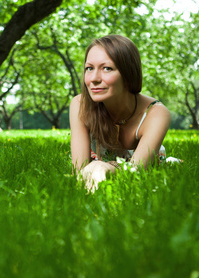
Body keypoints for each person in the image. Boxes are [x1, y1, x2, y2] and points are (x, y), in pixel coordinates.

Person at [70, 35, 172, 191]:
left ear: (128, 74)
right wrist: (95, 168)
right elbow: (79, 170)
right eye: (89, 68)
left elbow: (136, 171)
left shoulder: (156, 114)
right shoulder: (80, 104)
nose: (94, 79)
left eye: (107, 68)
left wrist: (105, 168)